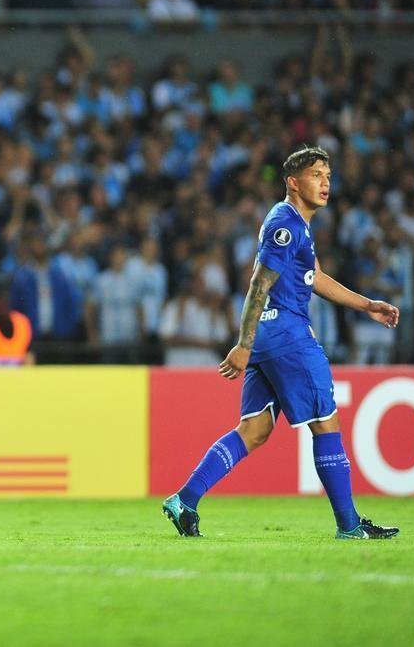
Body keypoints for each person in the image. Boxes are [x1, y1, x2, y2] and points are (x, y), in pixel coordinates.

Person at [162, 147, 400, 540]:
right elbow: (259, 283)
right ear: (293, 182)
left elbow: (315, 277)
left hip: (269, 337)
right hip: (287, 335)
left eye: (328, 175)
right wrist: (242, 344)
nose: (325, 182)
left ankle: (185, 500)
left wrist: (366, 304)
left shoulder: (297, 224)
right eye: (316, 174)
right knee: (326, 422)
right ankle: (349, 525)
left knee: (254, 429)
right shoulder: (285, 224)